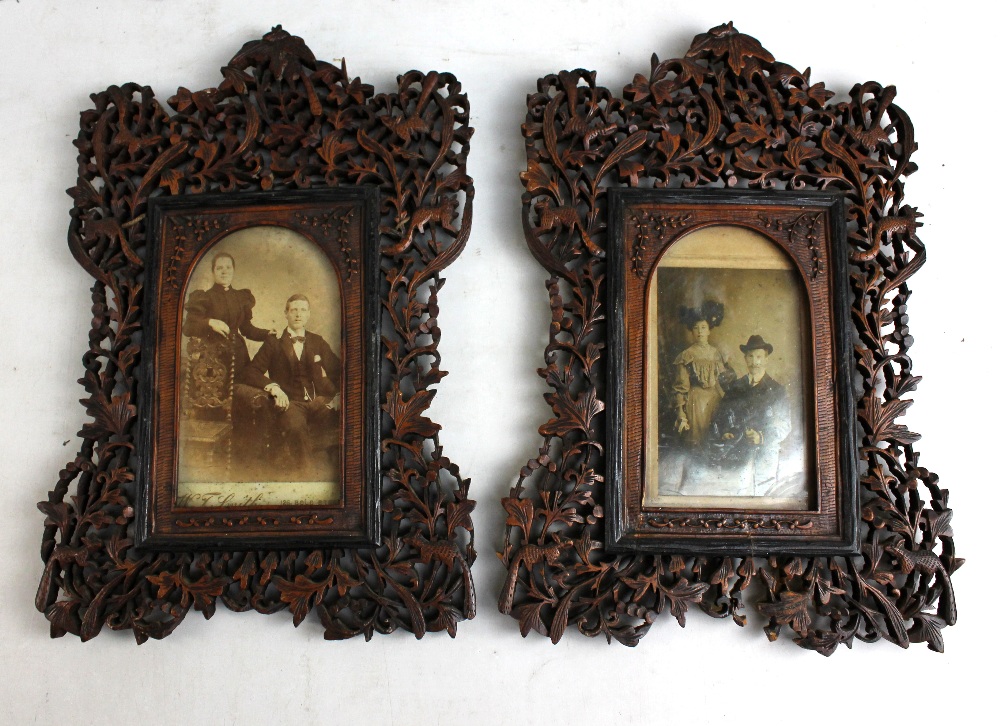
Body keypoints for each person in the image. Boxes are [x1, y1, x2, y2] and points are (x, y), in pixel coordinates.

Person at [240, 294, 342, 480]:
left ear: (309, 314)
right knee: (296, 427)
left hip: (319, 401)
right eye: (293, 310)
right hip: (290, 403)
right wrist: (273, 387)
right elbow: (251, 372)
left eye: (303, 310)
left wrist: (341, 396)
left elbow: (339, 372)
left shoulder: (317, 341)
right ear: (285, 314)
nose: (298, 314)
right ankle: (307, 480)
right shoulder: (274, 342)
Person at [707, 335, 791, 495]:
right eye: (750, 357)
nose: (755, 362)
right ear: (745, 359)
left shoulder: (777, 390)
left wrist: (762, 436)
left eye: (759, 357)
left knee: (764, 496)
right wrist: (726, 432)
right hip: (738, 454)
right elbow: (720, 416)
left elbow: (785, 425)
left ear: (766, 359)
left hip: (765, 455)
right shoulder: (735, 388)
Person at [182, 252, 271, 374]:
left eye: (228, 267)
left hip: (238, 356)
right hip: (212, 357)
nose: (224, 271)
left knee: (242, 386)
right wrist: (209, 322)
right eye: (219, 268)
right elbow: (188, 328)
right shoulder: (204, 297)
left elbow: (247, 329)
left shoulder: (241, 297)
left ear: (233, 270)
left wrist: (267, 334)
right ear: (213, 272)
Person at [670, 300, 731, 446]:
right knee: (698, 441)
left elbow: (722, 380)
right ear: (691, 331)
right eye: (696, 328)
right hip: (695, 402)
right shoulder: (686, 355)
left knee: (715, 439)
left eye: (703, 327)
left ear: (709, 330)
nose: (700, 332)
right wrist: (681, 412)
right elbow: (680, 387)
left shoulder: (716, 353)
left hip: (715, 399)